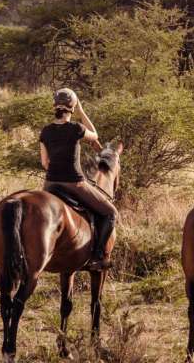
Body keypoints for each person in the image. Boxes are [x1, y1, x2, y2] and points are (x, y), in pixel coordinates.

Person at [40, 88, 117, 271]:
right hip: (74, 182)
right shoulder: (77, 128)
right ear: (72, 108)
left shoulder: (45, 131)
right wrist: (82, 112)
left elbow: (45, 162)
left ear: (54, 106)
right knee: (111, 213)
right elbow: (95, 135)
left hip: (50, 184)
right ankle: (98, 256)